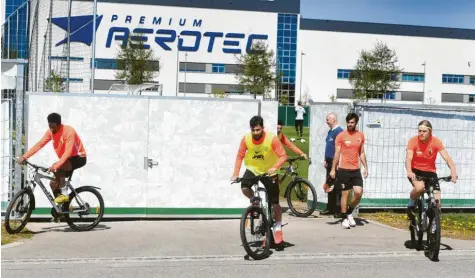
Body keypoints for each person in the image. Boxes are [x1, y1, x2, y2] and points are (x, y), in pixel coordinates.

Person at [232, 116, 288, 244]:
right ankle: (255, 201)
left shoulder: (271, 138)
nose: (255, 133)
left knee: (275, 202)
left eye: (258, 130)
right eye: (253, 130)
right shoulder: (246, 139)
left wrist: (275, 167)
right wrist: (235, 173)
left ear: (263, 128)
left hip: (269, 170)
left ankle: (278, 226)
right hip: (253, 168)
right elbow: (240, 156)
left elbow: (283, 156)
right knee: (244, 187)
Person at [17, 113, 87, 204]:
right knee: (53, 184)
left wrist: (56, 166)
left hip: (78, 157)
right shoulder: (50, 131)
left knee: (57, 167)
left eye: (53, 127)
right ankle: (61, 210)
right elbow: (39, 144)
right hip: (66, 160)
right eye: (50, 126)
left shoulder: (69, 131)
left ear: (59, 124)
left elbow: (68, 152)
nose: (51, 129)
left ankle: (65, 194)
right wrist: (24, 156)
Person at [405, 120, 457, 221]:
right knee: (420, 188)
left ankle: (434, 224)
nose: (421, 133)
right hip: (415, 170)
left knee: (437, 199)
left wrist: (453, 172)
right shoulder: (413, 141)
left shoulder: (436, 141)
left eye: (424, 131)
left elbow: (447, 158)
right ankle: (411, 204)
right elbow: (408, 158)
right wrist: (409, 171)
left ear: (430, 132)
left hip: (430, 172)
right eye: (419, 131)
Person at [329, 112, 368, 229]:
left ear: (356, 123)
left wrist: (366, 167)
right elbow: (336, 153)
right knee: (345, 194)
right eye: (348, 122)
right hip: (343, 169)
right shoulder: (341, 136)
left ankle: (349, 212)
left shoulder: (360, 135)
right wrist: (333, 169)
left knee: (358, 192)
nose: (350, 124)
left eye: (352, 122)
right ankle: (344, 217)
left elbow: (361, 152)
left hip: (355, 170)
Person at [321, 112, 343, 217]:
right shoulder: (330, 131)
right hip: (329, 162)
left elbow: (340, 150)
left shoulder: (339, 132)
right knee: (329, 184)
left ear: (333, 119)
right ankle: (330, 207)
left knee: (337, 186)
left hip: (336, 163)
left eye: (327, 119)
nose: (326, 122)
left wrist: (336, 164)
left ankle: (338, 209)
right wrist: (325, 159)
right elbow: (329, 146)